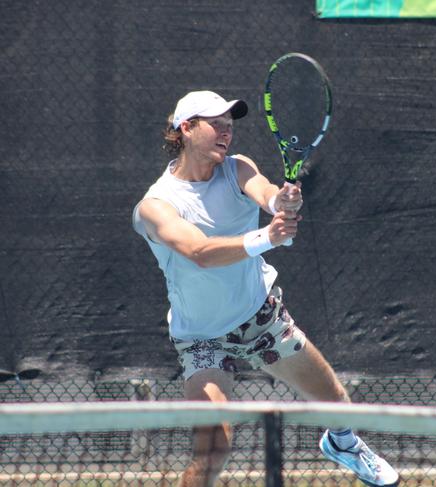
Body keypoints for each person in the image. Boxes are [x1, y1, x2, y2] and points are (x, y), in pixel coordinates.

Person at [132, 90, 399, 487]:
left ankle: (343, 443)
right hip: (201, 337)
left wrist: (281, 202)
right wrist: (266, 237)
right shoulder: (155, 206)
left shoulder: (236, 168)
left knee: (335, 401)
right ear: (186, 129)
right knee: (213, 450)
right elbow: (199, 251)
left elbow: (265, 192)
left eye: (230, 125)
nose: (227, 132)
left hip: (261, 319)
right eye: (216, 124)